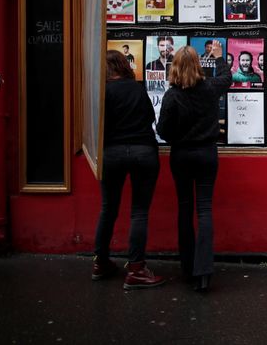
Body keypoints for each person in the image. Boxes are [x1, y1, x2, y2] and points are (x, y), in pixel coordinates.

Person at [156, 41, 232, 292]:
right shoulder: (209, 88)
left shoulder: (172, 96)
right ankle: (204, 271)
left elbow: (163, 132)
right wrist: (219, 57)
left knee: (185, 210)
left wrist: (179, 137)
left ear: (175, 66)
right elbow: (226, 77)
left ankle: (188, 267)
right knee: (204, 210)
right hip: (207, 155)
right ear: (199, 66)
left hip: (182, 156)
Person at [92, 50, 165, 290]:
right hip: (143, 151)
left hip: (111, 153)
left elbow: (96, 125)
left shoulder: (102, 91)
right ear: (124, 65)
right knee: (139, 212)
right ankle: (136, 269)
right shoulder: (137, 88)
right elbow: (148, 117)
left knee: (107, 209)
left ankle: (100, 262)